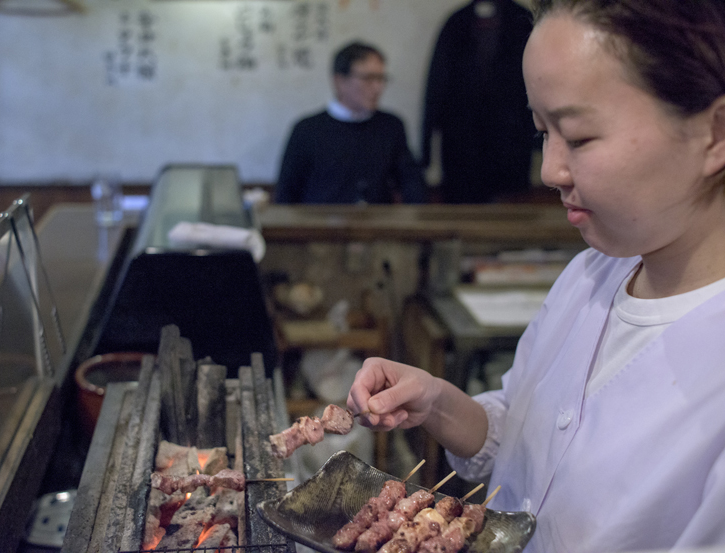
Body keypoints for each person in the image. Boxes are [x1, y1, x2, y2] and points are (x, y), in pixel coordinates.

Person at [347, 1, 725, 551]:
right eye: (540, 131)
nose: (550, 170)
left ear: (715, 132)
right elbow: (523, 437)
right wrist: (436, 401)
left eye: (579, 136)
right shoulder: (593, 272)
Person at [273, 41, 427, 204]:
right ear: (340, 81)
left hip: (377, 225)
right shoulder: (307, 130)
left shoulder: (391, 126)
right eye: (368, 78)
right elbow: (286, 193)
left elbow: (412, 183)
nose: (377, 87)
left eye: (381, 78)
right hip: (320, 226)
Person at [421, 0, 537, 204]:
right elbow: (436, 84)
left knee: (511, 213)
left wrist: (542, 140)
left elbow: (541, 81)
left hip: (511, 141)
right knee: (462, 211)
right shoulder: (457, 23)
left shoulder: (522, 21)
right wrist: (426, 149)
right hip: (462, 144)